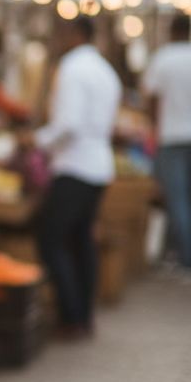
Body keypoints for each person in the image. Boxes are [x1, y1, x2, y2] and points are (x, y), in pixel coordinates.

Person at [30, 17, 122, 335]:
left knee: (51, 240)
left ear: (75, 34)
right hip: (98, 166)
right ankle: (83, 316)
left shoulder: (72, 67)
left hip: (75, 165)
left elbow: (68, 124)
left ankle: (71, 316)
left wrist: (37, 140)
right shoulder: (105, 70)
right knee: (82, 241)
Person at [142, 14, 191, 270]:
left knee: (176, 198)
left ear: (171, 31)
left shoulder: (164, 58)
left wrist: (154, 126)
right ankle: (178, 252)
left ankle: (184, 258)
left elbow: (150, 98)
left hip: (172, 136)